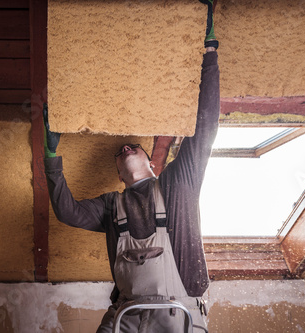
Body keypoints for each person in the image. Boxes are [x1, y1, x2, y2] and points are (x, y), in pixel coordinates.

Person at [44, 1, 219, 331]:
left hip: (179, 317)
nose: (125, 147)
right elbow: (67, 212)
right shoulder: (111, 207)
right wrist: (50, 157)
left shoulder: (178, 185)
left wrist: (209, 50)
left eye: (133, 146)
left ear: (153, 164)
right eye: (121, 152)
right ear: (118, 174)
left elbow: (206, 125)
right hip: (125, 320)